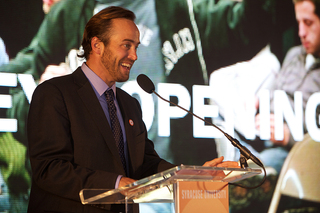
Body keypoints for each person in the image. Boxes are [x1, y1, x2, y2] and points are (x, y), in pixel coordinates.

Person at [26, 6, 239, 212]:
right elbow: (49, 169)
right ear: (97, 45)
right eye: (126, 45)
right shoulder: (54, 94)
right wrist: (116, 183)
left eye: (136, 47)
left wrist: (192, 175)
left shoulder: (129, 104)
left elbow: (146, 165)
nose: (134, 55)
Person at [213, 0, 320, 175]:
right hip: (259, 134)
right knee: (217, 94)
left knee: (264, 165)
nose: (301, 33)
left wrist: (288, 137)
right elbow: (277, 94)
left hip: (291, 151)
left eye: (308, 23)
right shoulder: (294, 55)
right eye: (298, 23)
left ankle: (246, 163)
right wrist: (257, 102)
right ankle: (240, 154)